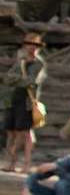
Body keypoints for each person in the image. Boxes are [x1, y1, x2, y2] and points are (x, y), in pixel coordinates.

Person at [4, 32, 46, 173]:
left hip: (28, 102)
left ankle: (26, 165)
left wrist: (17, 80)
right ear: (25, 46)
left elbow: (31, 81)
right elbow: (7, 78)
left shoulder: (39, 64)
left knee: (25, 133)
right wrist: (19, 80)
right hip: (14, 99)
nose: (32, 47)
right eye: (29, 44)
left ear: (38, 47)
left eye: (35, 45)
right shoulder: (20, 62)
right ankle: (10, 163)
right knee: (11, 132)